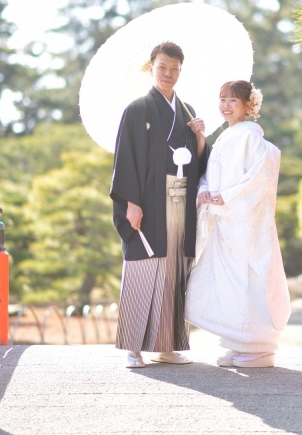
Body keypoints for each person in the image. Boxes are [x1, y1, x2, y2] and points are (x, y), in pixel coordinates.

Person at [110, 41, 210, 368]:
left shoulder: (187, 112)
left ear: (181, 71)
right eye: (162, 67)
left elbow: (195, 164)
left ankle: (166, 344)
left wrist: (199, 139)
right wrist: (131, 203)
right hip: (147, 201)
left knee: (173, 271)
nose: (168, 74)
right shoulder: (137, 110)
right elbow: (126, 160)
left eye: (175, 69)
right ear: (150, 67)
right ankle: (132, 347)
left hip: (178, 198)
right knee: (143, 268)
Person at [185, 80, 291, 368]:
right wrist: (204, 190)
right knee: (228, 280)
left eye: (233, 100)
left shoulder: (251, 137)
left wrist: (226, 196)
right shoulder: (224, 137)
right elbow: (210, 174)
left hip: (246, 221)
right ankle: (236, 341)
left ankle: (258, 346)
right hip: (225, 220)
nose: (225, 106)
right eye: (222, 99)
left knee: (249, 278)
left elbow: (259, 176)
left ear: (249, 105)